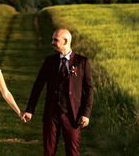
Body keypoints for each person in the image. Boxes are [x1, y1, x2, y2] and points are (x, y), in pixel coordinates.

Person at [21, 28, 94, 156]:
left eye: (55, 40)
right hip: (51, 113)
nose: (52, 42)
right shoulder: (49, 61)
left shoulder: (82, 62)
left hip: (73, 115)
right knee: (49, 151)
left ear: (65, 41)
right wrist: (30, 109)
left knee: (73, 152)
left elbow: (89, 89)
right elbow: (38, 86)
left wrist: (86, 114)